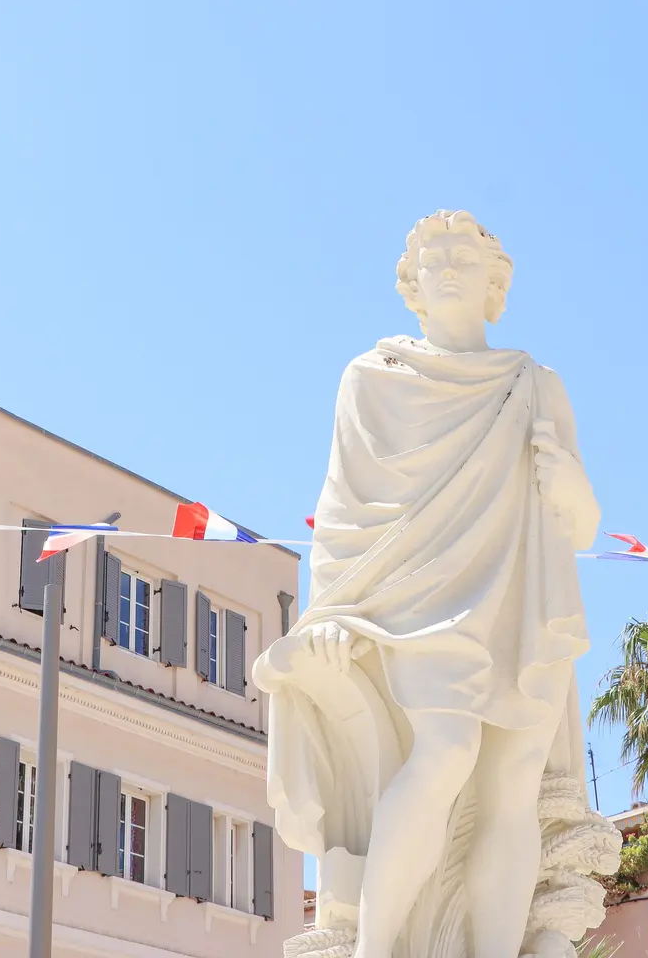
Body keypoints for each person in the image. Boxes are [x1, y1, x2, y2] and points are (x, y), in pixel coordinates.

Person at [254, 210, 602, 958]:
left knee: (511, 785)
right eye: (432, 257)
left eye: (463, 256)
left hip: (521, 596)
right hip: (414, 601)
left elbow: (582, 523)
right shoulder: (371, 380)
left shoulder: (536, 385)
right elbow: (344, 512)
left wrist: (572, 485)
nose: (446, 267)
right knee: (444, 751)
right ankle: (375, 949)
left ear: (494, 284)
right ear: (410, 285)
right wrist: (331, 609)